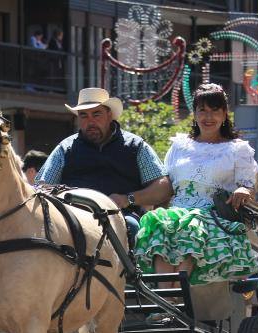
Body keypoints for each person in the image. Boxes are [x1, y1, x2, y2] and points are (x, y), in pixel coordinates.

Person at [134, 83, 258, 284]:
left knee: (192, 227)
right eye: (202, 110)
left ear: (225, 113)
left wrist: (244, 189)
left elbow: (248, 185)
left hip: (214, 217)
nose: (208, 117)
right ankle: (164, 303)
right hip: (176, 213)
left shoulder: (238, 149)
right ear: (194, 113)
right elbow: (166, 183)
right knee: (160, 226)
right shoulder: (179, 146)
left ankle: (177, 301)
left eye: (214, 110)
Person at [36, 87, 168, 246]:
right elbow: (42, 188)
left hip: (120, 216)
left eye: (96, 114)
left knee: (132, 227)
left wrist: (128, 199)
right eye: (83, 115)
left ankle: (132, 272)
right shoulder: (65, 148)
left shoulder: (135, 146)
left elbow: (164, 188)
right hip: (74, 217)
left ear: (109, 115)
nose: (90, 122)